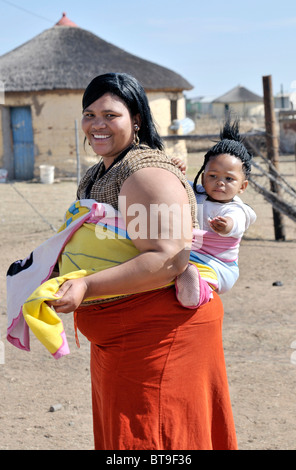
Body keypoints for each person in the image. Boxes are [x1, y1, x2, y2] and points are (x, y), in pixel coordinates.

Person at [48, 73, 238, 450]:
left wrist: (86, 285)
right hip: (123, 338)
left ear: (135, 119)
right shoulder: (100, 172)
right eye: (89, 114)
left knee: (158, 441)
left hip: (160, 338)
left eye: (109, 114)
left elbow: (168, 258)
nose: (96, 124)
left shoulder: (145, 173)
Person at [175, 118, 256, 308]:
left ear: (242, 186)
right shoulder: (197, 193)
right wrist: (177, 169)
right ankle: (186, 277)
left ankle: (197, 294)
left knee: (203, 276)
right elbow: (177, 184)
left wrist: (226, 225)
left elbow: (235, 222)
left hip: (218, 264)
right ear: (203, 177)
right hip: (189, 254)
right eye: (213, 176)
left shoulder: (236, 209)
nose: (220, 182)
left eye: (229, 178)